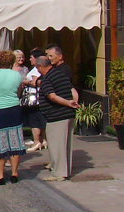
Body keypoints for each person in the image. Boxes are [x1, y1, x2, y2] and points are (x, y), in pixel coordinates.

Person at [0, 50, 26, 184]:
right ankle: (14, 173)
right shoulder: (17, 75)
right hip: (14, 109)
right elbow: (19, 92)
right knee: (15, 139)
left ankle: (0, 176)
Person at [37, 53, 80, 181]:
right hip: (68, 114)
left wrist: (68, 103)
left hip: (57, 116)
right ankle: (64, 171)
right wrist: (73, 102)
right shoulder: (60, 74)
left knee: (56, 146)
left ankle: (59, 173)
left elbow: (52, 96)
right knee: (66, 145)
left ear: (40, 66)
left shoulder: (47, 79)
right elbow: (73, 90)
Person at [22, 48, 46, 153]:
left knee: (34, 120)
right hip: (34, 98)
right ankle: (41, 140)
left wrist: (26, 82)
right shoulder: (35, 68)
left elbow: (35, 82)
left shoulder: (37, 70)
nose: (29, 59)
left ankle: (37, 141)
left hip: (34, 99)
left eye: (31, 57)